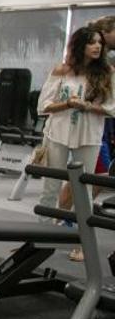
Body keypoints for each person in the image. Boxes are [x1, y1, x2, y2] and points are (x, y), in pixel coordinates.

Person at [37, 27, 112, 261]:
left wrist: (88, 107)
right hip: (58, 133)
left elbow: (111, 108)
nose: (97, 46)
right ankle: (39, 239)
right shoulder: (62, 70)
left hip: (88, 135)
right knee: (50, 187)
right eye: (91, 42)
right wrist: (68, 104)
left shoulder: (107, 72)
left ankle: (83, 244)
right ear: (80, 45)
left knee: (83, 190)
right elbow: (43, 106)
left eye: (99, 42)